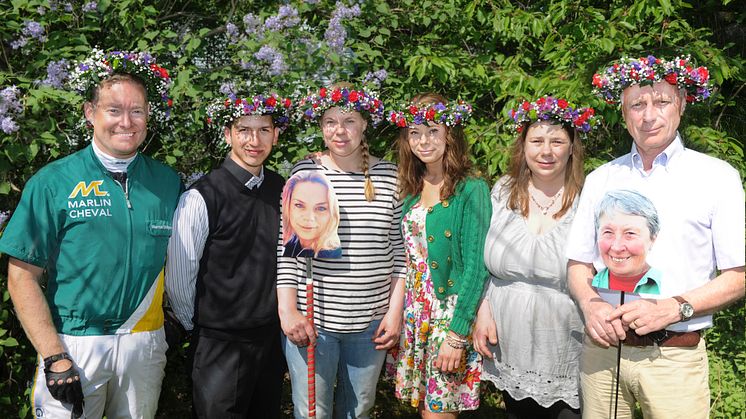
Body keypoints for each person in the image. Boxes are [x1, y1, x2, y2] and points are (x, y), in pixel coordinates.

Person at [0, 50, 182, 418]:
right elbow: (21, 277)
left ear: (149, 115)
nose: (126, 122)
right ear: (90, 113)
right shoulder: (53, 182)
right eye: (114, 110)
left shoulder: (167, 181)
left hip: (144, 341)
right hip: (74, 344)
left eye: (137, 111)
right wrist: (54, 355)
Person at [567, 54, 745, 418]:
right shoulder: (601, 178)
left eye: (661, 101)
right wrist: (589, 304)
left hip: (673, 359)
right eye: (637, 104)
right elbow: (578, 262)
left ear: (680, 104)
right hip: (601, 357)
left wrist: (675, 307)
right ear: (623, 112)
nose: (649, 115)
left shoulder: (717, 177)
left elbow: (738, 276)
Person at [277, 83, 406, 419]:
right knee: (312, 413)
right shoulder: (305, 173)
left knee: (358, 411)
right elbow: (289, 251)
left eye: (349, 121)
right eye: (330, 121)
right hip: (313, 321)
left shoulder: (391, 176)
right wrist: (288, 311)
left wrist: (394, 314)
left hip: (370, 324)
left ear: (364, 124)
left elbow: (400, 253)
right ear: (320, 127)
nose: (339, 130)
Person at [165, 92, 290, 418]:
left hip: (269, 343)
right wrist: (203, 328)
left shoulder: (283, 189)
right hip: (219, 346)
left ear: (276, 135)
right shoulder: (202, 196)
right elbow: (180, 275)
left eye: (264, 130)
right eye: (243, 130)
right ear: (227, 134)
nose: (254, 140)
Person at [472, 96, 598, 419]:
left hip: (566, 349)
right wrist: (482, 308)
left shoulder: (589, 202)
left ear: (572, 147)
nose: (546, 151)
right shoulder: (502, 192)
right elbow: (480, 259)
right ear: (523, 146)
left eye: (557, 141)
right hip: (510, 346)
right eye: (537, 140)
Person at [386, 93, 491, 417]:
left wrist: (458, 334)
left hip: (449, 317)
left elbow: (476, 267)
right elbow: (409, 262)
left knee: (439, 413)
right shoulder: (412, 188)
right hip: (417, 317)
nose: (423, 140)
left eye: (433, 131)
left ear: (450, 134)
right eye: (415, 132)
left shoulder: (471, 189)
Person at [592, 189, 662, 295]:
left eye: (630, 233)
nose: (617, 247)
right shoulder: (587, 288)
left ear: (652, 239)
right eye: (608, 232)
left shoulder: (669, 285)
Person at [282, 171, 342, 258]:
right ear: (287, 206)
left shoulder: (331, 253)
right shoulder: (291, 243)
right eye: (299, 205)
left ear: (332, 213)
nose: (309, 218)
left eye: (321, 208)